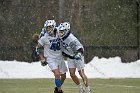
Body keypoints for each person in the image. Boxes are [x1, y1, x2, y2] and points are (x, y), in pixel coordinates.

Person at [58, 22, 91, 93]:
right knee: (72, 74)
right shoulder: (60, 38)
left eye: (62, 31)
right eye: (59, 31)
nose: (60, 33)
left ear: (66, 31)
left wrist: (79, 54)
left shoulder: (71, 38)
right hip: (70, 58)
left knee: (81, 73)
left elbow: (80, 48)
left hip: (78, 57)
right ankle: (80, 87)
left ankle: (88, 89)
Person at [36, 20, 67, 93]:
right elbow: (38, 48)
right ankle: (59, 91)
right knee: (57, 74)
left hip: (60, 57)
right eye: (47, 28)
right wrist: (42, 58)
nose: (48, 29)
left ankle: (57, 88)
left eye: (49, 27)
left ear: (53, 26)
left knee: (64, 76)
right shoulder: (44, 37)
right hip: (50, 58)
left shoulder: (59, 33)